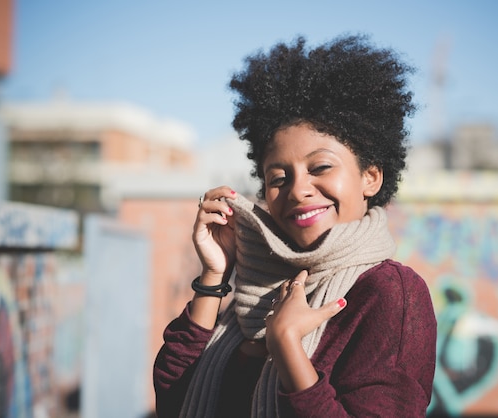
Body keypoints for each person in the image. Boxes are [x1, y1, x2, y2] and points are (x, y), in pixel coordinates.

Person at [153, 34, 437, 418]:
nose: (299, 190)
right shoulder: (259, 287)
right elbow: (175, 402)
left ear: (370, 177)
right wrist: (215, 274)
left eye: (320, 167)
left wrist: (287, 345)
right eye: (279, 177)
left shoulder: (388, 293)